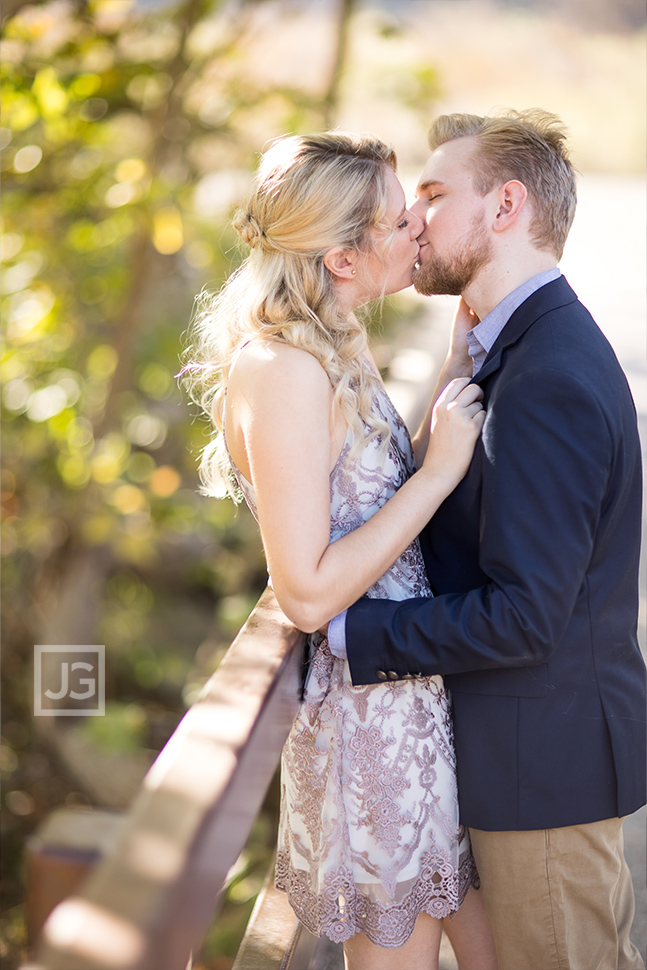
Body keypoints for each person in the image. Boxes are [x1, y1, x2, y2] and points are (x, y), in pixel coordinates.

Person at [328, 109, 647, 970]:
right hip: (514, 759)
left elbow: (524, 617)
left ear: (505, 207)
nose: (412, 218)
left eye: (433, 194)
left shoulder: (544, 377)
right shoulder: (508, 347)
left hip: (541, 773)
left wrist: (349, 633)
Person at [182, 131, 498, 970]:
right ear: (342, 257)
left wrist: (458, 365)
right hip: (368, 728)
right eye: (397, 224)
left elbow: (365, 496)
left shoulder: (334, 341)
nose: (416, 234)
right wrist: (434, 478)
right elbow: (309, 593)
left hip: (411, 704)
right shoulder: (283, 369)